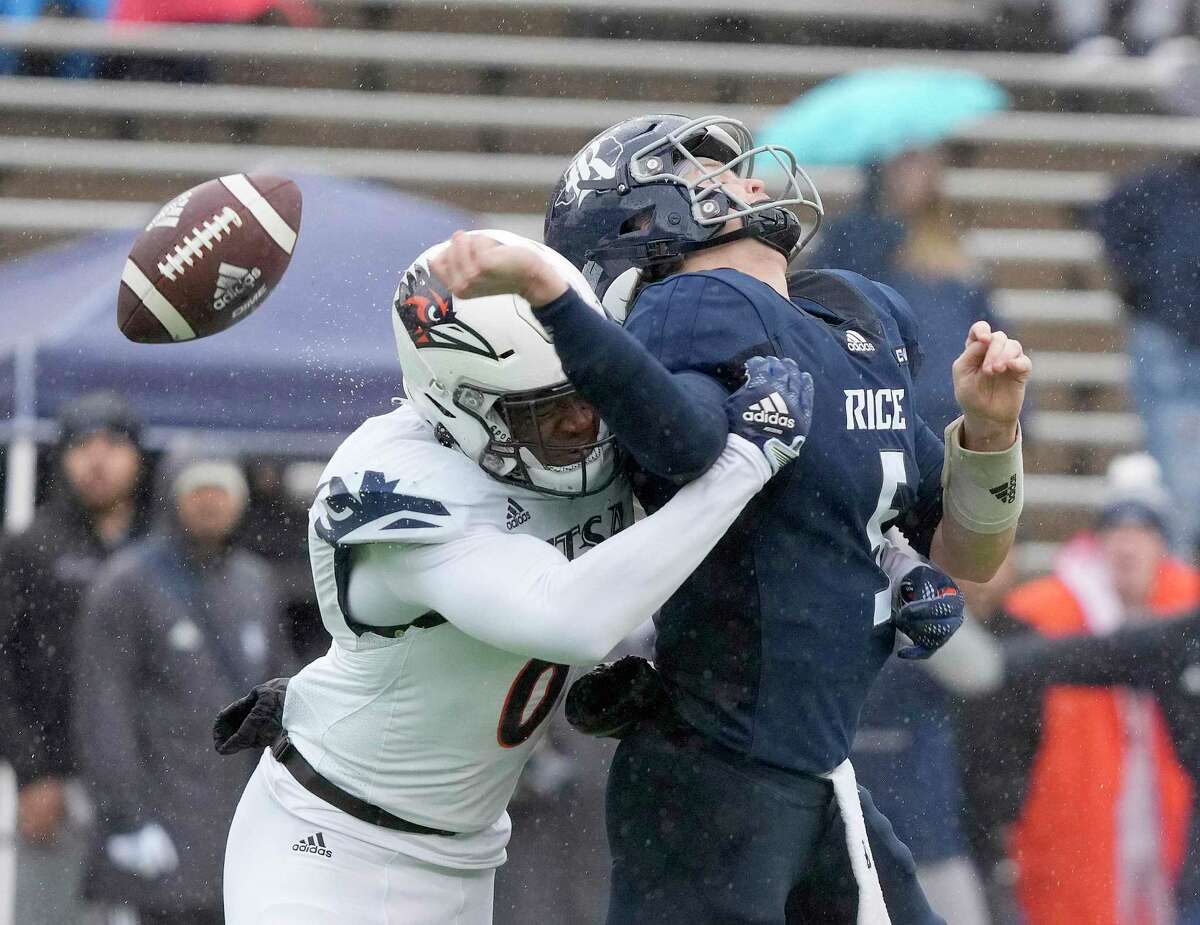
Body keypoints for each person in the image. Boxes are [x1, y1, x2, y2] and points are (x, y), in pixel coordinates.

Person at [427, 113, 1030, 923]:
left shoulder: (846, 315)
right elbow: (685, 441)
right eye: (703, 172)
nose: (747, 176)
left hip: (816, 774)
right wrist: (555, 299)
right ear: (645, 223)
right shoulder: (697, 304)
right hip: (715, 775)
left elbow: (968, 552)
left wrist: (990, 431)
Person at [217, 230, 833, 925]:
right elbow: (570, 618)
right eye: (547, 410)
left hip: (469, 853)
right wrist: (743, 465)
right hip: (329, 843)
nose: (585, 422)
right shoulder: (397, 481)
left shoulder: (575, 439)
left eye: (589, 392)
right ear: (458, 404)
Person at [73, 449, 288, 925]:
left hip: (236, 820)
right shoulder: (127, 583)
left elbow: (281, 701)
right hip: (157, 816)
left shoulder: (256, 583)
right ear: (173, 497)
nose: (211, 502)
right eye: (198, 490)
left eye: (223, 490)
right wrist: (125, 817)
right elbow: (103, 710)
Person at [991, 453, 1198, 925]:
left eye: (1142, 534)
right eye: (1117, 533)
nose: (1128, 547)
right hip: (1077, 817)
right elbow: (1008, 723)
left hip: (1171, 818)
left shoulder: (1182, 620)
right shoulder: (1047, 617)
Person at [0, 390, 152, 925]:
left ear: (138, 455)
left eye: (113, 443)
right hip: (58, 777)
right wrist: (33, 772)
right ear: (61, 457)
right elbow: (6, 669)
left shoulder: (160, 551)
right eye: (82, 444)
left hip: (149, 779)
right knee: (50, 912)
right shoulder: (30, 547)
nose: (97, 459)